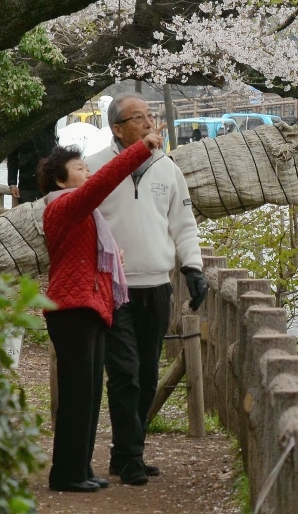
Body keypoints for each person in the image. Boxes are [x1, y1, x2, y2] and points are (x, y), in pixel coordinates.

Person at [84, 96, 207, 486]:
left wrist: (193, 268)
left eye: (149, 116)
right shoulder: (97, 167)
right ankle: (132, 457)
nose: (149, 122)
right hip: (113, 287)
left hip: (156, 285)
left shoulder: (167, 168)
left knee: (148, 375)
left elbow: (183, 223)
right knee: (125, 373)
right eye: (139, 118)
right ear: (117, 128)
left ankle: (123, 453)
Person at [37, 131, 159, 493]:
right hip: (72, 309)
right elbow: (105, 183)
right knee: (78, 395)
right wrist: (142, 148)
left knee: (88, 394)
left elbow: (83, 255)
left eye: (87, 166)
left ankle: (80, 468)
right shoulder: (64, 205)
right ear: (61, 179)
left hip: (87, 308)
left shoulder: (81, 213)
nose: (88, 172)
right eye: (80, 168)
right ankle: (66, 474)